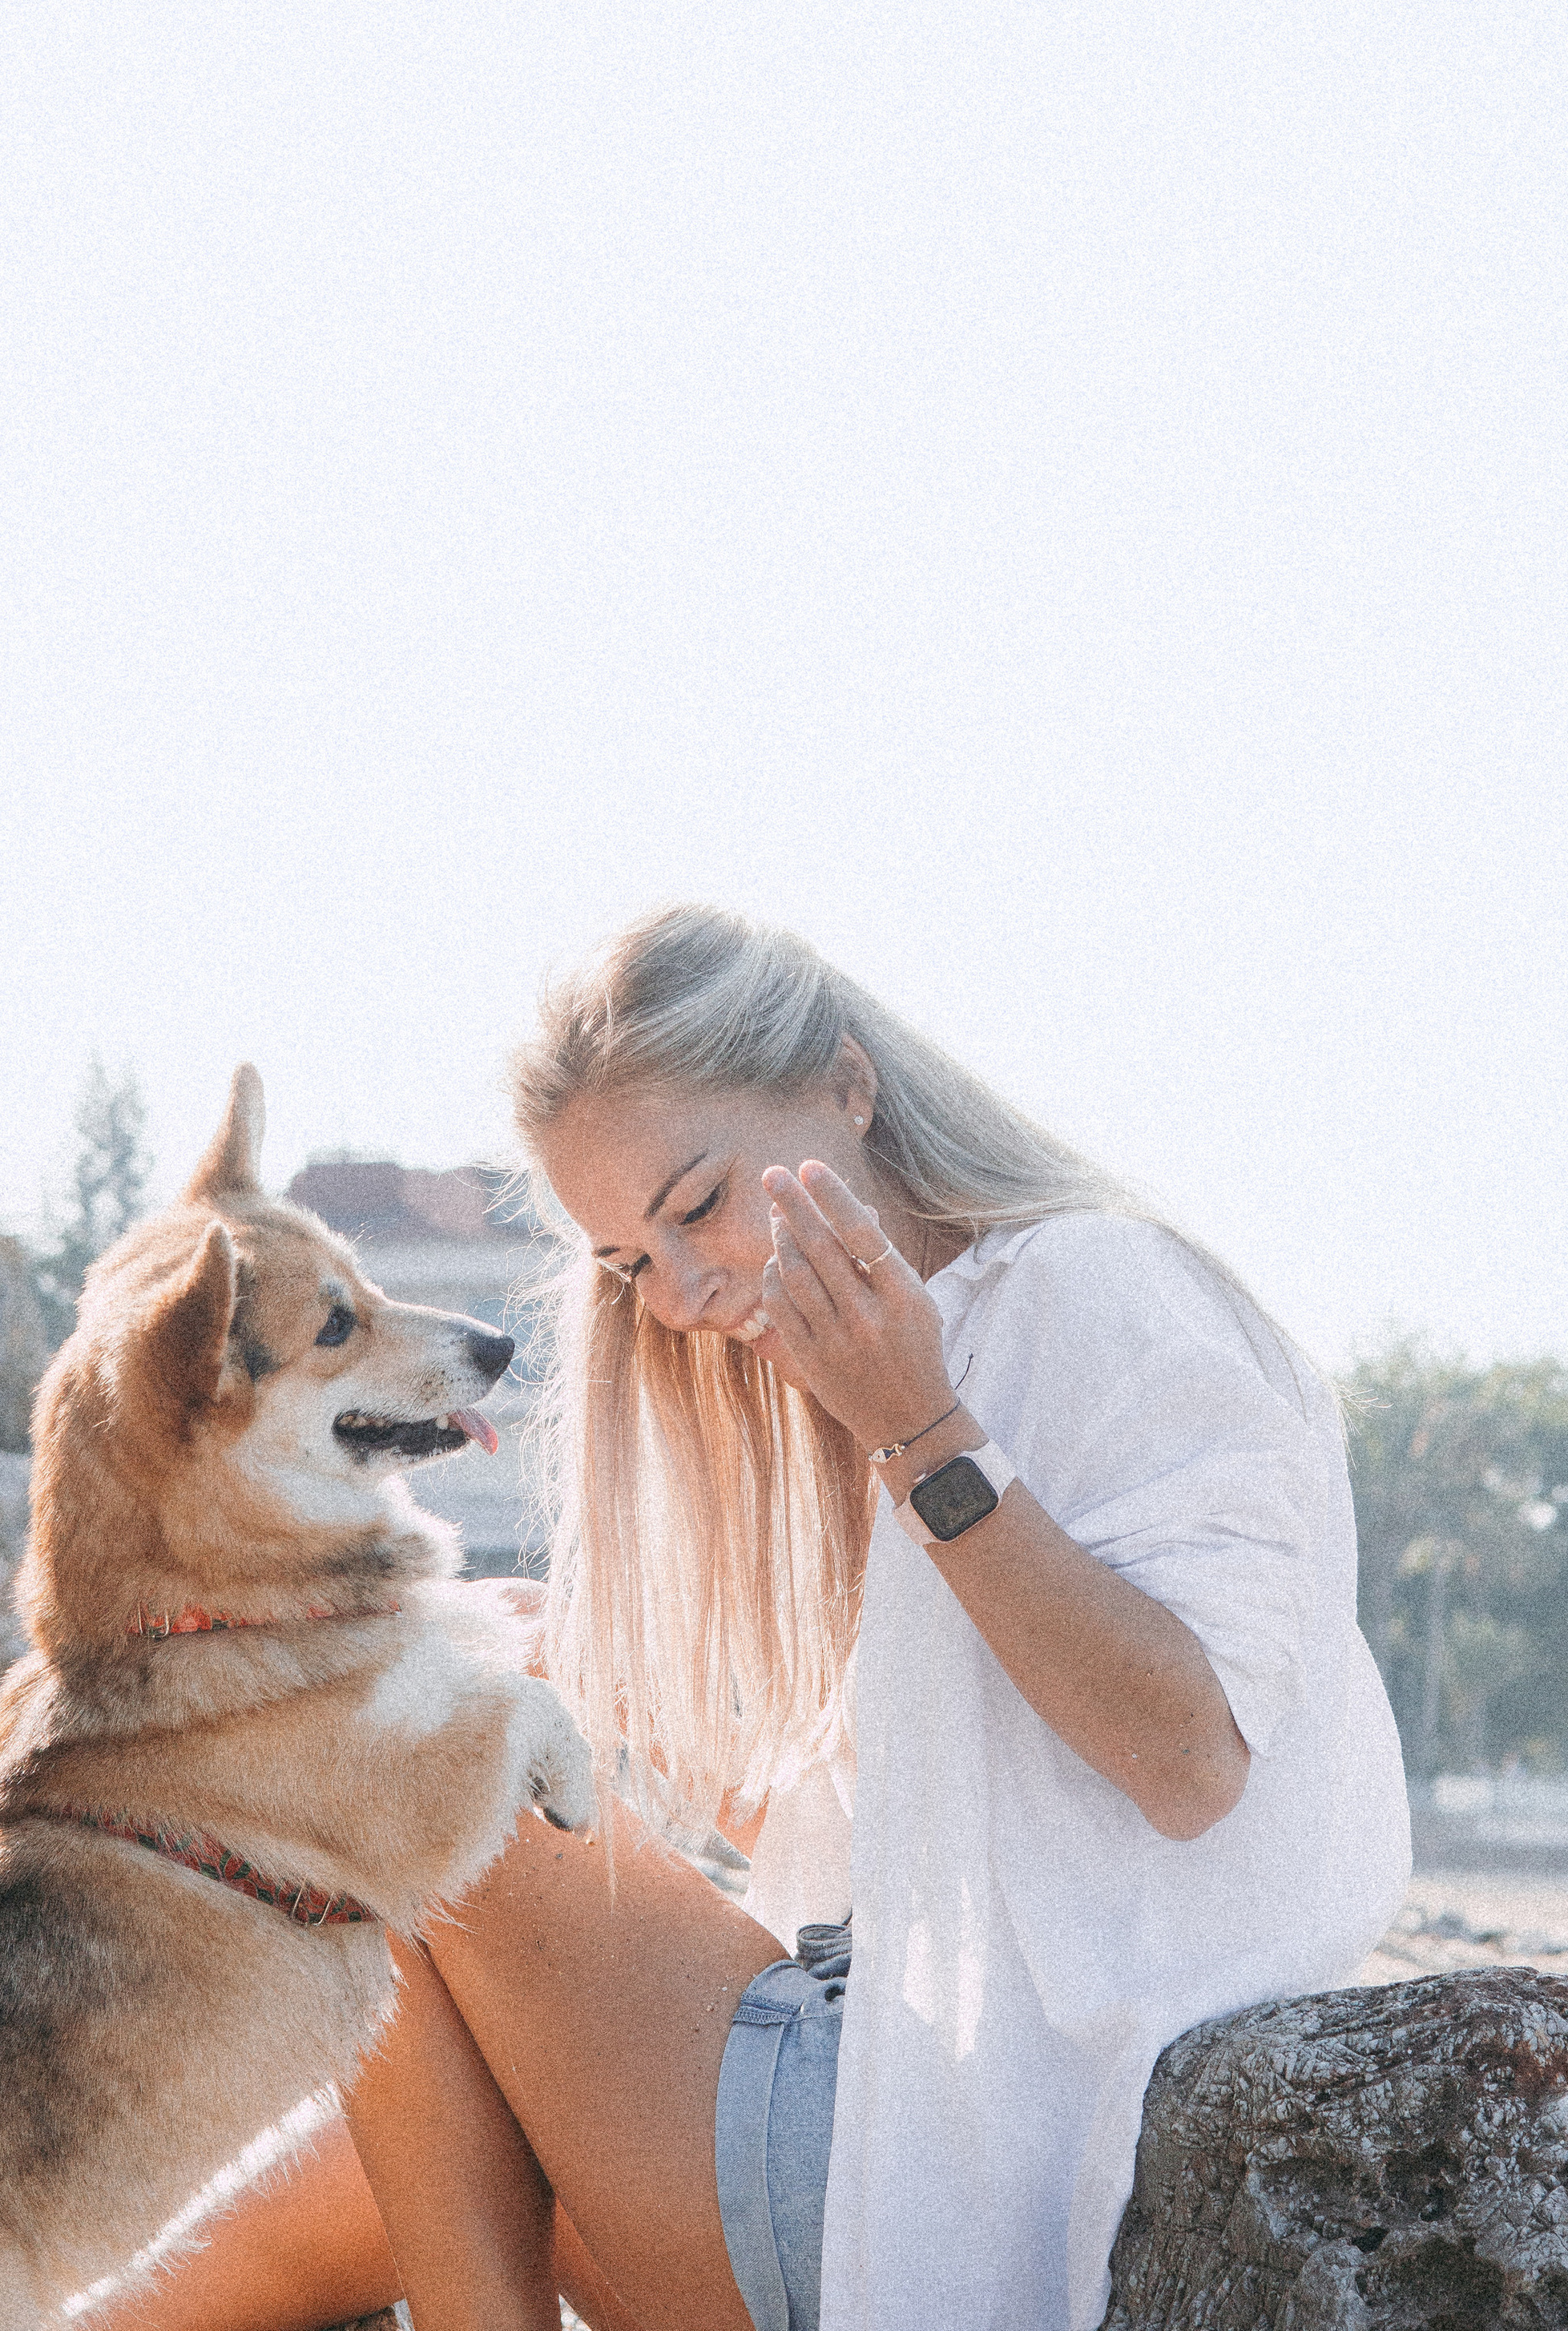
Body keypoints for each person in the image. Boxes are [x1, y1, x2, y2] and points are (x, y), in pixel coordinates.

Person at [99, 907, 1409, 2331]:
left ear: (849, 1085)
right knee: (369, 2176)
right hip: (897, 2139)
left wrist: (922, 1432)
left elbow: (1194, 1760)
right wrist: (590, 1692)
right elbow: (958, 1841)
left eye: (700, 1203)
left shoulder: (1091, 1290)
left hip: (931, 2184)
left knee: (400, 1732)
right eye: (628, 1263)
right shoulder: (922, 1368)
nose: (680, 1293)